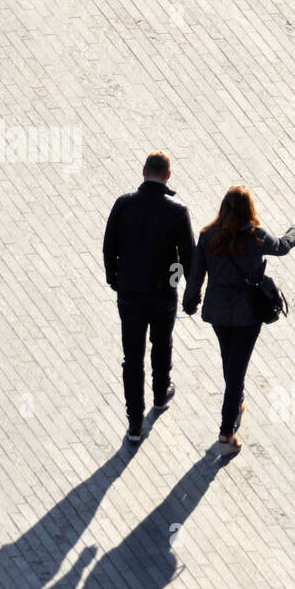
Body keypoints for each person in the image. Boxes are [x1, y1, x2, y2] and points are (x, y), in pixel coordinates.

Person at [182, 186, 295, 456]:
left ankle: (235, 406)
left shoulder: (207, 236)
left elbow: (196, 274)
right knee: (236, 373)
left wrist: (190, 301)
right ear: (249, 209)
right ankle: (227, 434)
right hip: (248, 315)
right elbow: (282, 246)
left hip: (218, 313)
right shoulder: (255, 237)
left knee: (230, 363)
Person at [103, 151, 195, 445]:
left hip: (130, 294)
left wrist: (115, 279)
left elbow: (109, 247)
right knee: (162, 342)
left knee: (132, 357)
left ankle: (133, 425)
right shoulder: (178, 211)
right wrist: (183, 288)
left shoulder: (124, 204)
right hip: (162, 294)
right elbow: (188, 258)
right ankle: (160, 392)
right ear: (168, 175)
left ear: (144, 171)